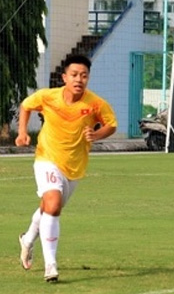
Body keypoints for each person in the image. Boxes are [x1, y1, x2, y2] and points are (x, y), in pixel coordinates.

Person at [15, 54, 117, 283]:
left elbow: (111, 124)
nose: (79, 79)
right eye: (74, 75)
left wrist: (96, 134)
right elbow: (26, 105)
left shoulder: (95, 104)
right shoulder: (48, 97)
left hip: (75, 166)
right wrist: (22, 132)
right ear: (64, 77)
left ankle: (28, 238)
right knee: (53, 204)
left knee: (48, 207)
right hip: (47, 158)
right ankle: (50, 264)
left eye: (84, 75)